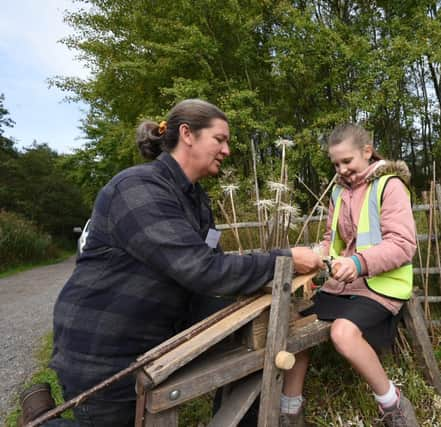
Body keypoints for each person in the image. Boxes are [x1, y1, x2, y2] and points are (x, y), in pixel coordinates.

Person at [21, 99, 323, 427]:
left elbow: (214, 263)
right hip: (103, 349)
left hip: (158, 340)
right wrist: (287, 258)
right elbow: (202, 270)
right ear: (187, 134)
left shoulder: (197, 200)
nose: (227, 150)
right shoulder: (138, 189)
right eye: (219, 139)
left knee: (251, 343)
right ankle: (40, 419)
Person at [280, 123, 419, 427]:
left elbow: (403, 245)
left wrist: (356, 264)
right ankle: (289, 411)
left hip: (383, 284)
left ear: (367, 152)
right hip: (343, 286)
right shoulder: (339, 192)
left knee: (342, 333)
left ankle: (394, 405)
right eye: (335, 164)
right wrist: (320, 257)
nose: (341, 170)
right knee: (291, 326)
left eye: (347, 162)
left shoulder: (390, 186)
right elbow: (333, 240)